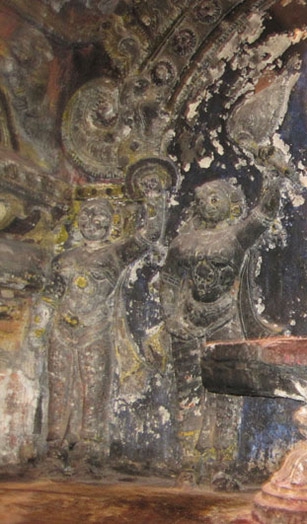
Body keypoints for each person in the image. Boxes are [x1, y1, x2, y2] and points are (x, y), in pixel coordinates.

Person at [44, 159, 170, 469]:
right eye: (86, 213)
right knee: (59, 387)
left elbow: (148, 236)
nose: (91, 219)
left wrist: (155, 199)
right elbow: (51, 294)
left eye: (99, 214)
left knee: (94, 387)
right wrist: (39, 326)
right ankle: (55, 445)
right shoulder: (64, 258)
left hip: (95, 328)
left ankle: (90, 446)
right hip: (62, 327)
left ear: (112, 222)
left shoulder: (114, 253)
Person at [159, 174, 283, 488]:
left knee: (227, 392)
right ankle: (189, 461)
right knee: (188, 391)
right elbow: (169, 280)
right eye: (202, 199)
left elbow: (263, 215)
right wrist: (171, 317)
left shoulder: (235, 235)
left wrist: (274, 178)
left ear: (230, 203)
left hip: (225, 319)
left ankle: (223, 462)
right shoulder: (183, 242)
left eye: (215, 198)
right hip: (188, 322)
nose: (207, 203)